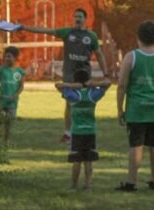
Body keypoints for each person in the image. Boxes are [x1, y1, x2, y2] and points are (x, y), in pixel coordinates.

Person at [18, 9, 107, 141]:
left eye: (80, 16)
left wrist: (106, 72)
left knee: (85, 102)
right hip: (70, 74)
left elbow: (99, 54)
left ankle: (84, 130)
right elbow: (45, 31)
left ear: (85, 19)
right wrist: (24, 27)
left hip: (84, 75)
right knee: (70, 103)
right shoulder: (67, 32)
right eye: (76, 16)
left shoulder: (91, 36)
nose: (78, 18)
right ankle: (68, 133)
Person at [115, 20, 154, 191]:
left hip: (136, 109)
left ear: (138, 37)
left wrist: (120, 109)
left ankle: (131, 181)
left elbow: (122, 85)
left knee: (136, 145)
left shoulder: (131, 57)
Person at [57, 67, 111, 190]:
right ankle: (88, 185)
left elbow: (58, 86)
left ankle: (73, 185)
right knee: (88, 160)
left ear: (75, 81)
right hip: (90, 131)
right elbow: (108, 84)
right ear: (88, 80)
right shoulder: (93, 94)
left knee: (77, 160)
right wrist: (93, 84)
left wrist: (73, 85)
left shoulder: (73, 95)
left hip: (77, 132)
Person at [0, 46, 26, 144]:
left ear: (15, 58)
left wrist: (16, 95)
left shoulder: (20, 72)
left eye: (9, 56)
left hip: (12, 102)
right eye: (5, 56)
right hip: (2, 100)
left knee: (9, 124)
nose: (6, 59)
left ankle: (6, 141)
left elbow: (21, 86)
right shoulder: (1, 70)